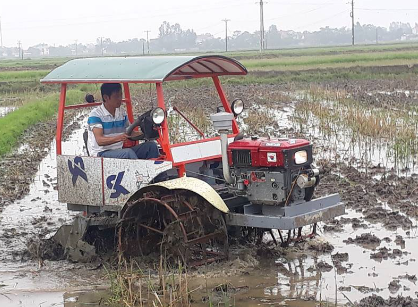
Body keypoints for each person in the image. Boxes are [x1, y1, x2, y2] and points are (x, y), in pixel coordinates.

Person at [87, 83, 159, 159]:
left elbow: (129, 132)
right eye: (116, 96)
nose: (120, 99)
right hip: (100, 154)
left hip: (119, 151)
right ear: (106, 97)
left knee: (151, 146)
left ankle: (156, 170)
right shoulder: (95, 115)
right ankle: (140, 170)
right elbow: (100, 140)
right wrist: (119, 138)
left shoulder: (121, 112)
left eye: (121, 95)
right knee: (127, 153)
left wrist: (146, 133)